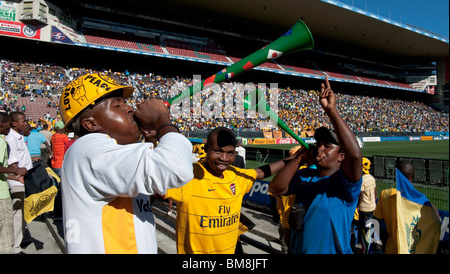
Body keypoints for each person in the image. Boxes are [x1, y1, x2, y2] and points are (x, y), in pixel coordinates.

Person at [60, 73, 193, 254]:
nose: (130, 108)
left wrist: (154, 141)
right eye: (117, 105)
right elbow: (176, 168)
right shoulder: (88, 148)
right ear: (90, 125)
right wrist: (162, 119)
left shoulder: (102, 152)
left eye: (126, 103)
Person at [163, 126, 295, 254]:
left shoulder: (234, 174)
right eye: (218, 151)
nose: (224, 158)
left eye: (230, 153)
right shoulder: (189, 174)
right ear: (206, 149)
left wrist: (296, 158)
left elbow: (260, 172)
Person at [269, 77, 363, 254]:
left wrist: (331, 111)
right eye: (319, 144)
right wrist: (299, 159)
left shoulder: (346, 184)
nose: (320, 148)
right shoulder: (305, 175)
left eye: (327, 146)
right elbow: (276, 189)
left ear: (341, 156)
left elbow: (355, 156)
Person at [373, 160, 441, 254]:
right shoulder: (423, 203)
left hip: (391, 249)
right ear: (414, 176)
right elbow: (437, 221)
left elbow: (375, 221)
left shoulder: (385, 195)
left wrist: (377, 244)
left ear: (395, 176)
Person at [4, 112, 33, 253]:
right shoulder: (11, 139)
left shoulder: (19, 137)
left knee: (22, 213)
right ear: (14, 123)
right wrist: (18, 176)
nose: (26, 123)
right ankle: (15, 246)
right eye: (23, 121)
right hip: (18, 182)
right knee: (17, 215)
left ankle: (19, 239)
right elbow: (13, 163)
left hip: (23, 180)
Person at [354, 157, 378, 253]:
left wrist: (357, 206)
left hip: (364, 208)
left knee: (364, 226)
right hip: (372, 206)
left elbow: (361, 195)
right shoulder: (372, 178)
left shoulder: (362, 180)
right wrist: (373, 201)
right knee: (370, 224)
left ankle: (367, 245)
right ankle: (374, 242)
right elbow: (375, 191)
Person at [0, 113, 15, 254]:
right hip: (1, 194)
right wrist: (17, 170)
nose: (9, 128)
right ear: (1, 125)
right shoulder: (1, 142)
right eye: (8, 124)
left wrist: (14, 176)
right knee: (5, 235)